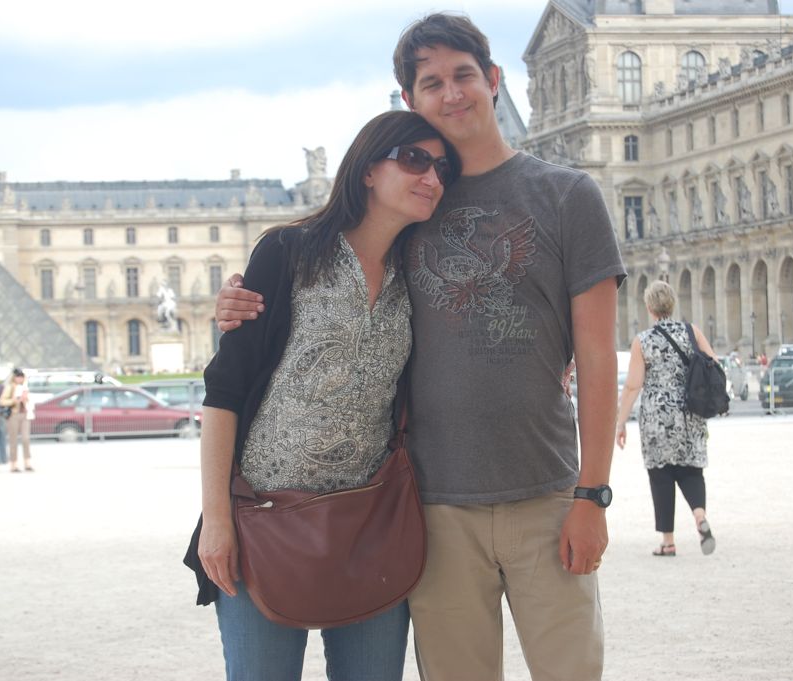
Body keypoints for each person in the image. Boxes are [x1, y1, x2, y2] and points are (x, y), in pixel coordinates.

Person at [213, 13, 625, 681]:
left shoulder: (568, 195)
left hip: (547, 495)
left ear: (493, 80)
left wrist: (593, 494)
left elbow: (600, 355)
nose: (451, 93)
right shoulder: (414, 207)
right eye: (431, 82)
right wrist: (241, 301)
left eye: (463, 75)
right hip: (431, 509)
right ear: (410, 100)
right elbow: (332, 264)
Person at [185, 110, 459, 681]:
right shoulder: (287, 252)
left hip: (372, 526)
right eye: (414, 159)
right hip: (261, 521)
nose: (432, 176)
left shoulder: (421, 273)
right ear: (366, 168)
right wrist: (217, 519)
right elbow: (225, 391)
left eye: (442, 167)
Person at [615, 281, 716, 557]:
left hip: (657, 417)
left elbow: (633, 385)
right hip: (690, 413)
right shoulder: (692, 332)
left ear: (649, 308)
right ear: (672, 304)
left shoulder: (644, 341)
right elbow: (713, 363)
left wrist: (620, 422)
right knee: (691, 470)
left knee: (661, 475)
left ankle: (668, 541)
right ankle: (699, 516)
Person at [0, 368, 34, 472]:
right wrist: (13, 401)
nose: (20, 379)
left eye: (21, 377)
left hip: (25, 414)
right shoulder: (10, 387)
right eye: (18, 377)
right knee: (13, 440)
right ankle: (13, 464)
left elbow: (30, 401)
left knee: (25, 439)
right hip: (14, 414)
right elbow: (1, 401)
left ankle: (27, 462)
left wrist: (26, 398)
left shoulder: (25, 387)